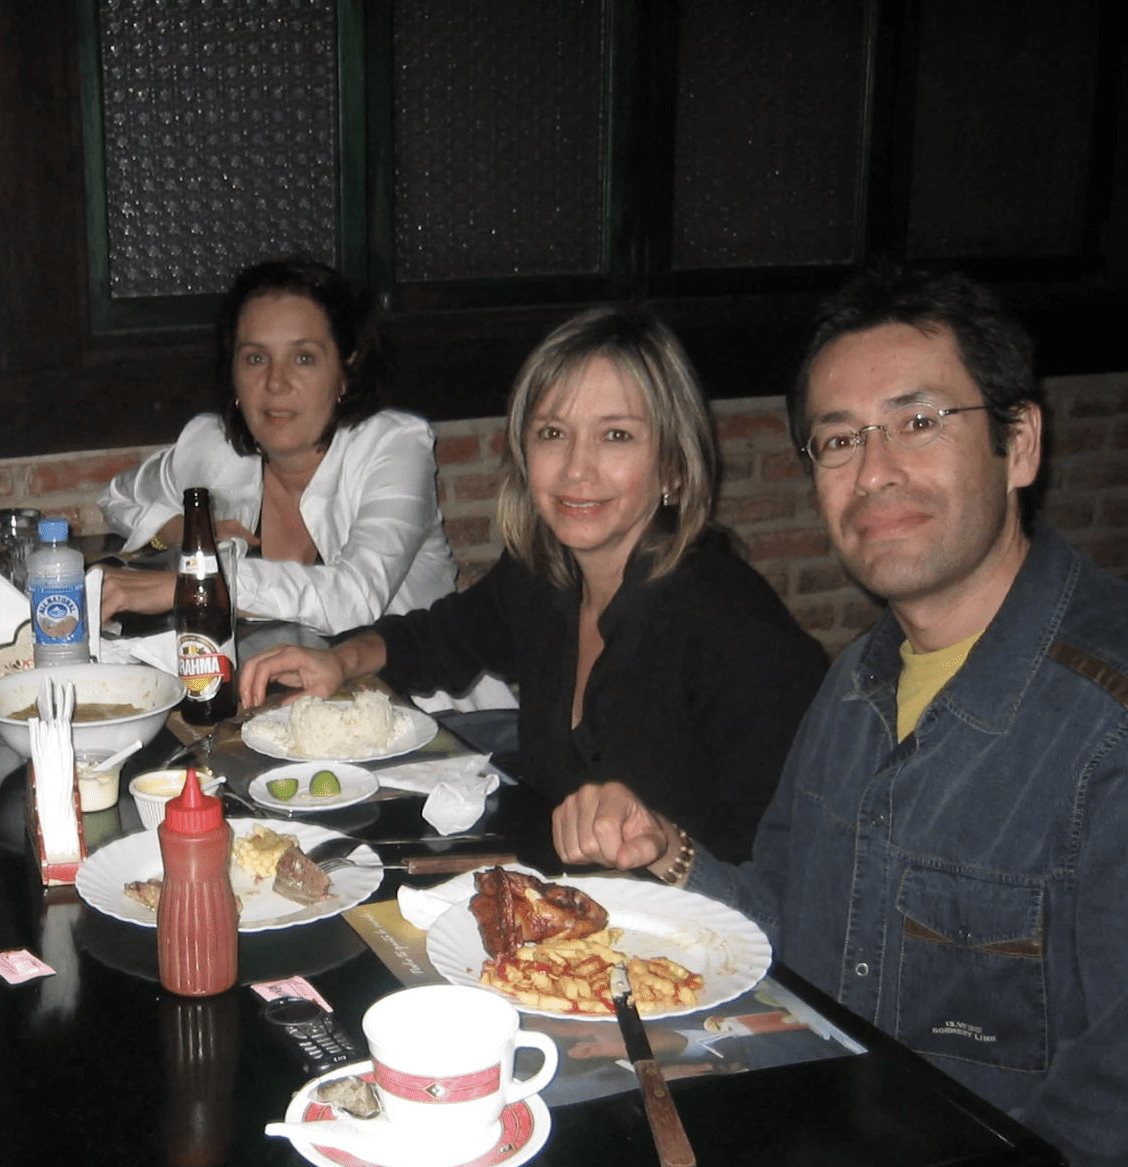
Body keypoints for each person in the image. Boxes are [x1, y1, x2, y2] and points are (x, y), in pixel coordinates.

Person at [555, 268, 1126, 1167]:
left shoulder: (1105, 725)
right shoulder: (859, 683)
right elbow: (790, 934)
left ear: (1019, 445)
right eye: (838, 439)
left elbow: (1114, 1131)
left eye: (919, 421)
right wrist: (669, 853)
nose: (875, 471)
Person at [240, 305, 828, 863]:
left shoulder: (737, 633)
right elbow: (441, 637)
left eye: (616, 436)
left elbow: (777, 873)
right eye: (552, 433)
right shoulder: (544, 575)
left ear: (674, 464)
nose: (576, 468)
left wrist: (666, 855)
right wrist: (340, 661)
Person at [97, 258, 458, 635]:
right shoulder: (212, 447)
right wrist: (182, 528)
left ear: (345, 372)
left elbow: (355, 597)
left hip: (407, 672)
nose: (275, 382)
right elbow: (116, 499)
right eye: (256, 358)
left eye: (303, 358)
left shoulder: (394, 446)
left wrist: (196, 584)